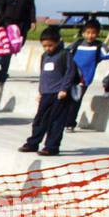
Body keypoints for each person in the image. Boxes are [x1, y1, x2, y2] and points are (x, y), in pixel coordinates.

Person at [20, 26, 78, 156]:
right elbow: (43, 75)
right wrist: (41, 91)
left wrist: (64, 89)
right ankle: (33, 143)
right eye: (44, 46)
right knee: (40, 120)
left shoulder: (64, 55)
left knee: (56, 121)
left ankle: (51, 146)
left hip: (59, 94)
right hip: (46, 93)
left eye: (50, 45)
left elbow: (70, 73)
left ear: (58, 42)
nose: (47, 48)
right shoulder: (44, 56)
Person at [64, 19, 109, 130]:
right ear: (83, 33)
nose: (90, 35)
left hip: (84, 79)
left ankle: (70, 123)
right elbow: (65, 53)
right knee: (65, 99)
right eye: (88, 32)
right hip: (70, 76)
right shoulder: (77, 44)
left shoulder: (98, 46)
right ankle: (61, 119)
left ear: (97, 34)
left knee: (75, 100)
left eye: (93, 33)